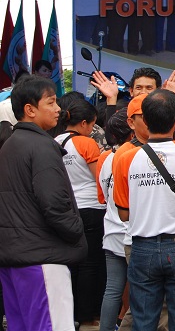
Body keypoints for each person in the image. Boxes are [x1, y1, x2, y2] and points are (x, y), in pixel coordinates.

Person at [0, 76, 87, 331]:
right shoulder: (40, 145)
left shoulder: (10, 145)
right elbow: (55, 204)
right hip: (42, 257)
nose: (58, 108)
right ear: (30, 109)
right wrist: (76, 231)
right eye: (51, 102)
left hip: (15, 256)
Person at [113, 90, 175, 331]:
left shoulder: (125, 158)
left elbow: (123, 214)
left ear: (145, 120)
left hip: (142, 247)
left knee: (143, 320)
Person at [53, 93, 105, 330]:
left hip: (66, 209)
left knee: (70, 264)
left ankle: (70, 314)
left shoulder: (54, 141)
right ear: (84, 123)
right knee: (91, 264)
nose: (92, 130)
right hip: (91, 208)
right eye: (92, 125)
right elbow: (99, 178)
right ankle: (88, 316)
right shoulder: (86, 143)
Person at [96, 109, 133, 331]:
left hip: (111, 229)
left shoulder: (105, 157)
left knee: (112, 289)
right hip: (131, 233)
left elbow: (103, 195)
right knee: (141, 290)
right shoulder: (135, 156)